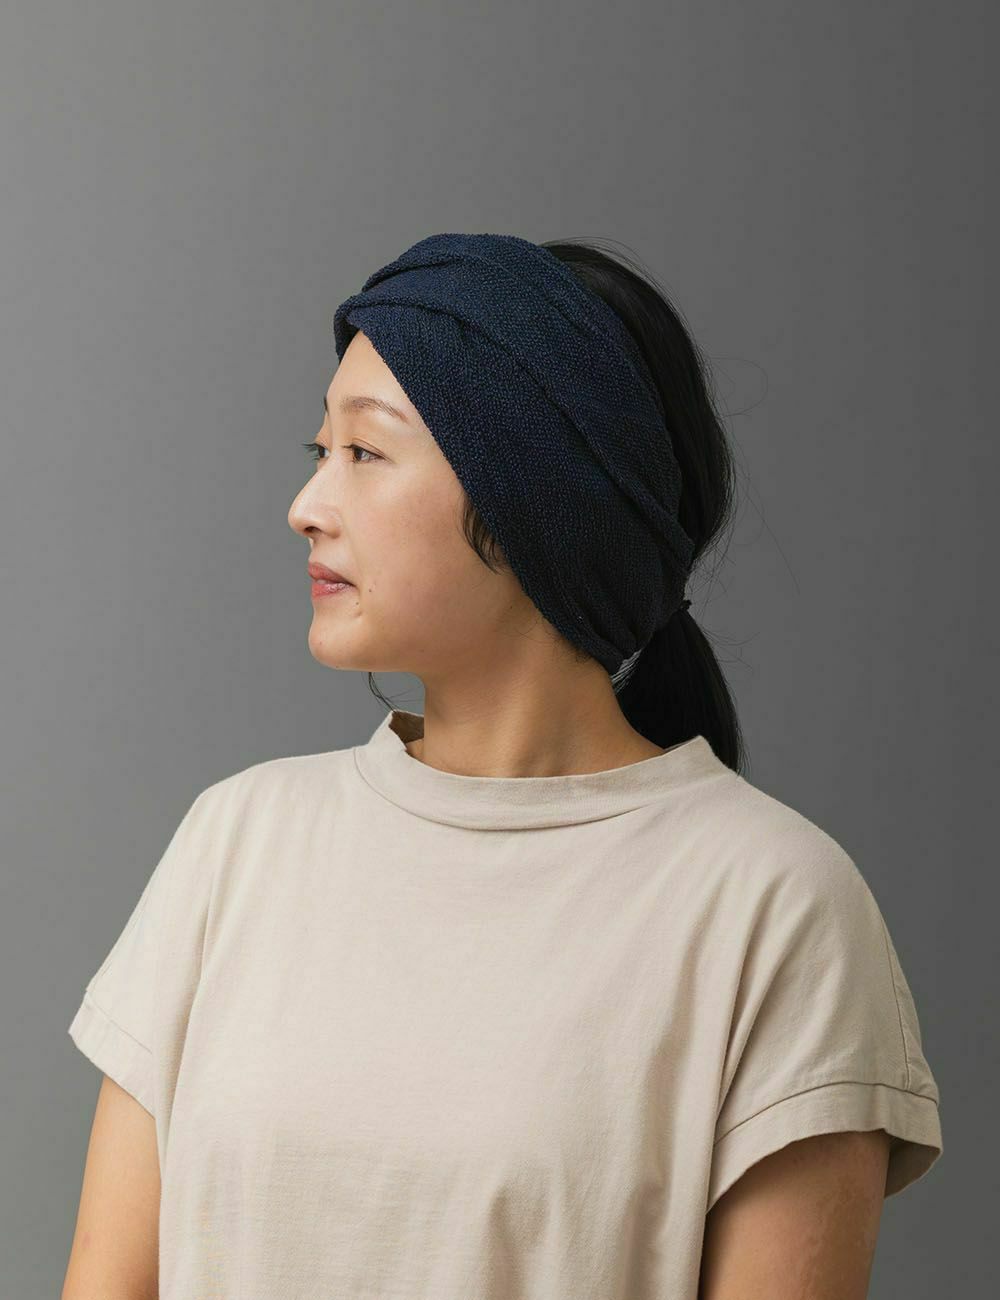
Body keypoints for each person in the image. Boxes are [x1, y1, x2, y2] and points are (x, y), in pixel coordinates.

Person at [63, 233, 942, 1300]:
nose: (307, 505)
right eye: (318, 451)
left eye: (365, 453)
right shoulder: (237, 841)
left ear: (534, 495)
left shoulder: (774, 906)